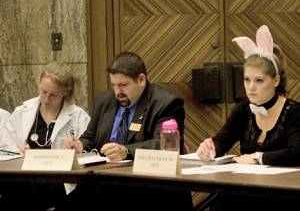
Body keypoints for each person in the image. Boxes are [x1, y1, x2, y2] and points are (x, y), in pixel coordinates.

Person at [62, 51, 193, 210]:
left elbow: (164, 144)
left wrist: (126, 151)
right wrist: (80, 145)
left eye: (123, 85)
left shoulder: (166, 103)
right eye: (113, 85)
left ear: (141, 80)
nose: (117, 92)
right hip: (104, 182)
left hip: (146, 186)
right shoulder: (103, 101)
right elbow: (90, 136)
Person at [197, 25, 300, 210]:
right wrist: (210, 149)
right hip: (248, 188)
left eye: (259, 80)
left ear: (275, 80)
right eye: (247, 80)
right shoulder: (245, 107)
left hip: (284, 195)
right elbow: (223, 139)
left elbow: (296, 153)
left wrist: (256, 158)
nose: (251, 87)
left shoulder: (294, 112)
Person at [0, 61, 90, 210]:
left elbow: (89, 153)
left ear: (65, 92)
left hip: (61, 184)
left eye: (53, 95)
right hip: (26, 182)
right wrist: (20, 153)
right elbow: (6, 149)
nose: (46, 99)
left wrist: (77, 149)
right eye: (43, 92)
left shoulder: (78, 116)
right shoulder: (22, 112)